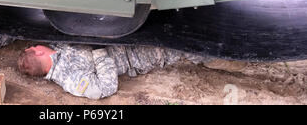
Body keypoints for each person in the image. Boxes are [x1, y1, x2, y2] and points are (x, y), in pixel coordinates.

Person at [17, 44, 210, 100]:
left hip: (125, 38)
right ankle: (233, 63)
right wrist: (99, 51)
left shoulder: (57, 49)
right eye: (33, 46)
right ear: (39, 51)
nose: (36, 44)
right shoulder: (69, 80)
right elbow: (105, 88)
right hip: (135, 54)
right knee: (185, 48)